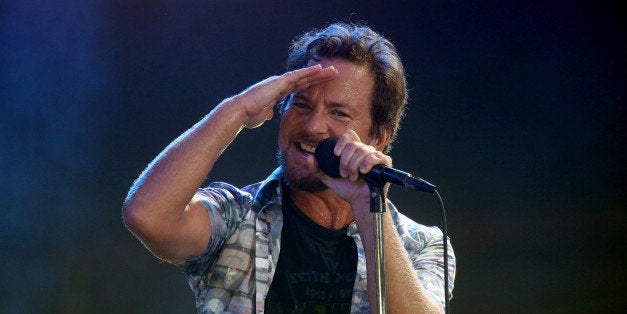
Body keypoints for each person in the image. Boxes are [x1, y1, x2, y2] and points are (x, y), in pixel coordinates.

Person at [123, 23, 455, 313]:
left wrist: (368, 206)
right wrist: (237, 109)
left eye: (338, 113)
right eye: (301, 104)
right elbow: (147, 217)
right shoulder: (237, 217)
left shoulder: (422, 245)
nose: (312, 125)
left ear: (379, 137)